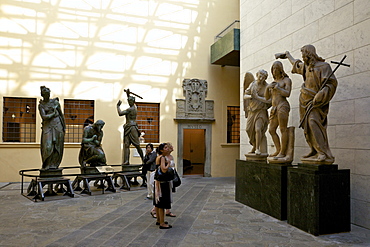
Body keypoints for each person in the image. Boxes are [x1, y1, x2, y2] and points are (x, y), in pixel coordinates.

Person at [282, 45, 337, 163]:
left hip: (316, 102)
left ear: (309, 54)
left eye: (304, 54)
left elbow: (331, 83)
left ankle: (323, 152)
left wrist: (322, 93)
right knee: (307, 127)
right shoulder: (306, 67)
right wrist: (288, 56)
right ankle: (314, 150)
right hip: (304, 101)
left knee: (313, 122)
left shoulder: (324, 66)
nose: (302, 57)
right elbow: (296, 64)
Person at [265, 61, 292, 158]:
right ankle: (278, 149)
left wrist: (278, 89)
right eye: (273, 69)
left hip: (282, 105)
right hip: (274, 108)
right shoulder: (273, 82)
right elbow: (267, 97)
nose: (275, 71)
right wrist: (267, 87)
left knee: (283, 129)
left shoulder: (286, 80)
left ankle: (283, 152)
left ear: (280, 69)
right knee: (271, 130)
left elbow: (287, 93)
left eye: (276, 68)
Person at [244, 70, 271, 155]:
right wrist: (251, 96)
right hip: (252, 111)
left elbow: (269, 101)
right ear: (257, 75)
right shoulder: (252, 84)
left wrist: (258, 97)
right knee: (248, 129)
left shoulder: (267, 87)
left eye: (263, 77)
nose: (261, 78)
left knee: (258, 129)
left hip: (261, 111)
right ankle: (255, 145)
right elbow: (245, 95)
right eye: (260, 76)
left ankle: (257, 149)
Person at [38, 86, 66, 170]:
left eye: (48, 93)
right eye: (45, 94)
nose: (47, 95)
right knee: (47, 146)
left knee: (57, 145)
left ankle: (55, 164)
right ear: (42, 95)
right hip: (47, 126)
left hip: (58, 124)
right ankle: (46, 165)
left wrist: (64, 127)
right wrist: (53, 114)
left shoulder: (55, 102)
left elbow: (61, 114)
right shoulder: (41, 105)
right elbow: (44, 117)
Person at [116, 95, 144, 165]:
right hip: (128, 127)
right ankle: (126, 161)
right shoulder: (135, 106)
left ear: (133, 101)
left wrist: (118, 106)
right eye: (128, 101)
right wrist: (128, 94)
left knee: (137, 145)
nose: (129, 102)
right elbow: (131, 99)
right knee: (126, 145)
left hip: (132, 127)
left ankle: (143, 159)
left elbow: (120, 113)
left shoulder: (130, 109)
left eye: (130, 101)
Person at [153, 143, 172, 229]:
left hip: (157, 182)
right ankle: (162, 222)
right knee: (162, 203)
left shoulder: (158, 157)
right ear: (161, 150)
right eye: (165, 148)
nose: (167, 149)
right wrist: (168, 164)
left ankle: (158, 220)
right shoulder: (163, 158)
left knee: (157, 202)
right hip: (162, 183)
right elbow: (164, 169)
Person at [165, 142, 177, 217]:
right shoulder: (164, 157)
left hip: (171, 176)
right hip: (167, 176)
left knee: (170, 193)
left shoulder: (171, 156)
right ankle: (154, 210)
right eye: (171, 146)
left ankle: (168, 210)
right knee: (165, 193)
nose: (173, 147)